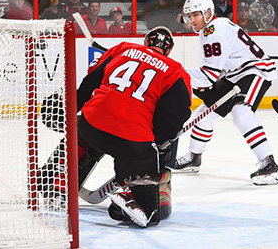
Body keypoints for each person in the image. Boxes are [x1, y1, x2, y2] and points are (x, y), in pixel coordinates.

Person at [76, 26, 192, 227]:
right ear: (169, 49)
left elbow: (89, 83)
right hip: (131, 140)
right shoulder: (175, 71)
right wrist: (156, 141)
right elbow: (177, 115)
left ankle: (59, 178)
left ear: (146, 41)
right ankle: (137, 200)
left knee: (79, 132)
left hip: (91, 125)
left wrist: (70, 109)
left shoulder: (122, 48)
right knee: (150, 171)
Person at [169, 0, 278, 186]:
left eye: (195, 15)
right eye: (189, 16)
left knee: (241, 111)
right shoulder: (213, 28)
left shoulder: (214, 31)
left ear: (207, 13)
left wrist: (176, 75)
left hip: (256, 70)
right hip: (236, 73)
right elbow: (214, 73)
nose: (191, 20)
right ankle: (194, 157)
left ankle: (269, 164)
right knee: (205, 112)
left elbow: (208, 76)